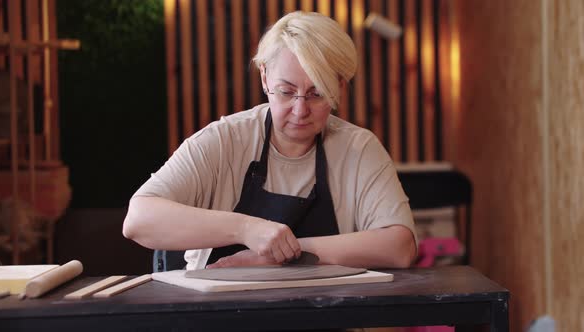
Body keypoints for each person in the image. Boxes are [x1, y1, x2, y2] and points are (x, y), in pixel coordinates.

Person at [123, 11, 417, 271]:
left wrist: (286, 254)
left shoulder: (358, 149)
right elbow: (139, 219)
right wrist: (247, 229)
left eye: (317, 94)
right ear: (264, 77)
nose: (301, 110)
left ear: (339, 86)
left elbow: (400, 246)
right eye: (286, 92)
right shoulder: (225, 141)